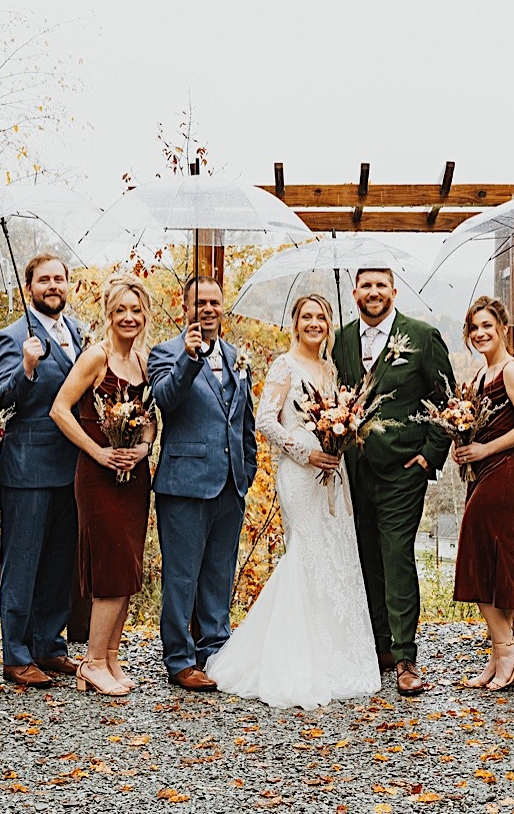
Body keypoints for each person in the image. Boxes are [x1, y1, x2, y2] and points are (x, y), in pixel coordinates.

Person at [205, 294, 382, 708]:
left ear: (329, 323)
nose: (315, 323)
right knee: (306, 554)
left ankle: (334, 654)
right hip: (300, 474)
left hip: (331, 474)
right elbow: (266, 420)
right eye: (307, 317)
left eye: (321, 317)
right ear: (295, 322)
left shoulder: (330, 368)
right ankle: (292, 657)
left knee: (334, 554)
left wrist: (337, 439)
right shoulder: (285, 365)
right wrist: (305, 451)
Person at [332, 267, 454, 697]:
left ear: (394, 290)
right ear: (355, 293)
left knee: (397, 554)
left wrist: (429, 456)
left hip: (405, 470)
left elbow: (447, 402)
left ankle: (405, 657)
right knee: (366, 554)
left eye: (381, 285)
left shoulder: (421, 336)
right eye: (366, 285)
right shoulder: (342, 339)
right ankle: (378, 646)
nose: (373, 292)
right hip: (356, 469)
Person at [148, 275, 258, 692]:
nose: (208, 309)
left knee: (219, 571)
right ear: (185, 308)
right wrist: (189, 360)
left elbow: (243, 419)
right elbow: (164, 399)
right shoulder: (167, 352)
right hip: (185, 483)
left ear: (222, 307)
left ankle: (216, 650)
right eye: (200, 303)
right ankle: (179, 658)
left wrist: (246, 469)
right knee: (181, 575)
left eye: (214, 302)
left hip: (231, 484)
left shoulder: (236, 355)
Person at [49, 276, 158, 696]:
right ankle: (91, 662)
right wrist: (98, 453)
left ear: (145, 314)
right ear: (108, 314)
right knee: (109, 564)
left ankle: (110, 657)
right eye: (120, 310)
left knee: (127, 566)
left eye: (136, 310)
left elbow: (149, 418)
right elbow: (59, 410)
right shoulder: (97, 356)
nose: (128, 317)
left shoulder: (144, 361)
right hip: (99, 475)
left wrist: (145, 447)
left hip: (133, 477)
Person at [0, 253, 84, 688]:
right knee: (23, 562)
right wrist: (26, 368)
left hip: (74, 465)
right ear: (30, 288)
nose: (53, 286)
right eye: (44, 280)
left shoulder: (78, 333)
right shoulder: (11, 337)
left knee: (59, 563)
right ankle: (16, 653)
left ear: (68, 285)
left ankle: (50, 644)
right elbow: (0, 401)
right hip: (28, 467)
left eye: (59, 279)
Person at [451, 296, 514, 691]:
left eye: (488, 325)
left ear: (503, 328)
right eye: (474, 328)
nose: (481, 333)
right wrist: (462, 442)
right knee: (484, 561)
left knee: (483, 557)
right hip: (480, 472)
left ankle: (508, 648)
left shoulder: (512, 371)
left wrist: (486, 449)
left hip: (504, 474)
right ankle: (502, 650)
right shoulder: (476, 377)